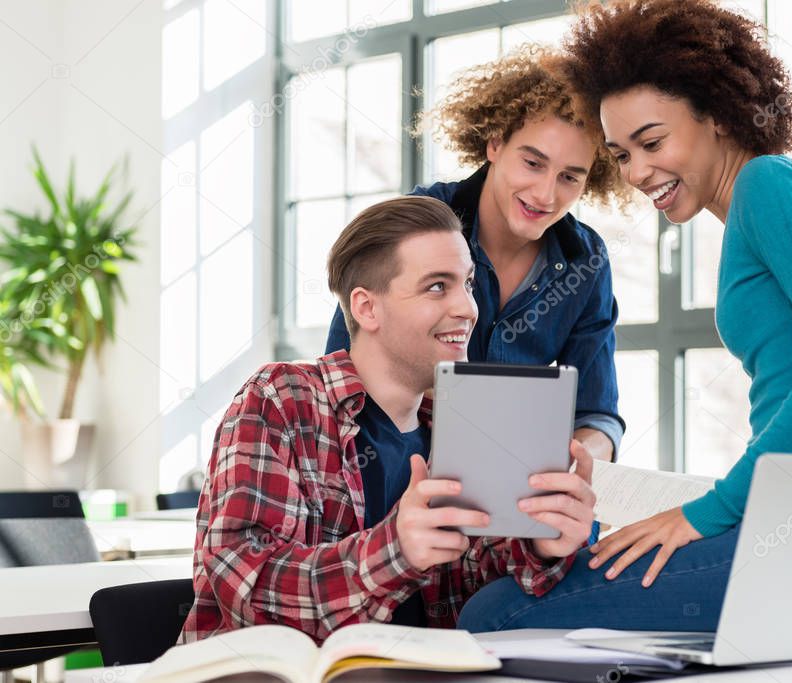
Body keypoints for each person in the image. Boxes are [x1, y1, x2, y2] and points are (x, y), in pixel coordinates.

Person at [457, 0, 792, 632]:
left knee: (494, 613)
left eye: (651, 142)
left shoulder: (769, 184)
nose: (636, 172)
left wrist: (709, 512)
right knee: (544, 581)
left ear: (715, 115)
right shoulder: (754, 208)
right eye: (621, 154)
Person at [181, 196, 595, 642]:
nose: (468, 308)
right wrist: (394, 551)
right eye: (437, 286)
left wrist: (542, 543)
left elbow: (469, 582)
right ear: (366, 308)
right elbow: (242, 581)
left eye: (468, 283)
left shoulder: (457, 424)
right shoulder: (281, 399)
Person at [325, 48, 630, 468]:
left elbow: (596, 412)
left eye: (568, 177)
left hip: (515, 483)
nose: (545, 195)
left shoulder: (586, 261)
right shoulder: (423, 223)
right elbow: (343, 380)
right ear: (495, 143)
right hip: (388, 471)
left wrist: (580, 459)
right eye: (532, 163)